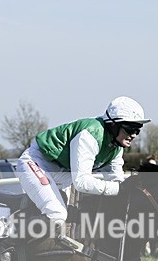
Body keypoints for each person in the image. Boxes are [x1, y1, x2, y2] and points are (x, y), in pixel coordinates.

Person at [16, 96, 149, 227]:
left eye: (138, 129)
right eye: (130, 129)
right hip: (35, 162)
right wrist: (120, 188)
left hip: (60, 171)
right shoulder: (90, 135)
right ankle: (6, 237)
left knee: (70, 217)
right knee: (57, 215)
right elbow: (82, 182)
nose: (134, 135)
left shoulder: (116, 146)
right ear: (113, 125)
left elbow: (116, 180)